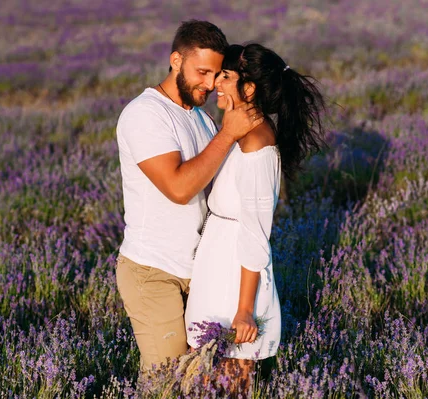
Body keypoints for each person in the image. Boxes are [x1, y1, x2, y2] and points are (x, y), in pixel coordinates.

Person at [115, 21, 263, 376]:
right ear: (176, 60)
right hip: (153, 271)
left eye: (216, 74)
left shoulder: (201, 118)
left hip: (199, 270)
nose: (210, 84)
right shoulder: (144, 115)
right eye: (202, 72)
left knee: (204, 377)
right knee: (165, 378)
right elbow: (179, 189)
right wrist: (228, 135)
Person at [184, 43, 326, 392]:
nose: (217, 81)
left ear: (249, 89)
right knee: (204, 378)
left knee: (232, 380)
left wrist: (245, 309)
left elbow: (255, 232)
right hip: (218, 266)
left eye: (226, 77)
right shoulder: (240, 134)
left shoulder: (258, 145)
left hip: (236, 277)